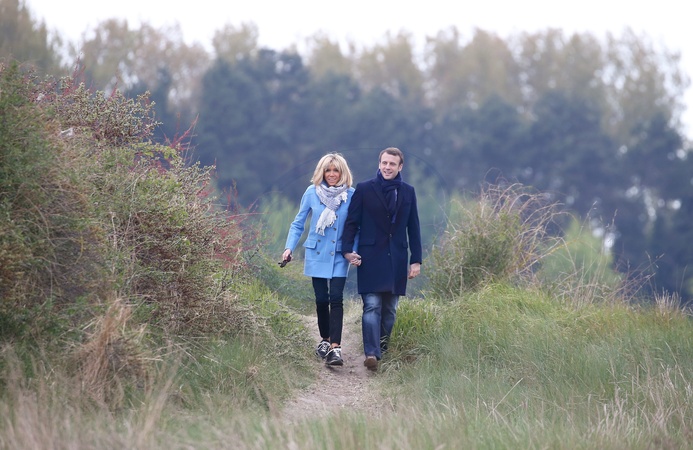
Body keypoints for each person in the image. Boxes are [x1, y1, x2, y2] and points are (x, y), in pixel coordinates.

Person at [342, 147, 422, 372]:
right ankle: (371, 354)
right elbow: (352, 222)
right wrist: (347, 250)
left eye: (392, 164)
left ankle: (382, 350)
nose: (387, 167)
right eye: (384, 163)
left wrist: (416, 260)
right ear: (379, 164)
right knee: (372, 305)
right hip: (370, 257)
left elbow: (414, 227)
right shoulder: (364, 189)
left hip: (397, 259)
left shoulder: (408, 192)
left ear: (400, 167)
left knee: (390, 310)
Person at [282, 153, 356, 366]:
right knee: (322, 299)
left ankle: (335, 348)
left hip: (340, 254)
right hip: (316, 252)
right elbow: (298, 223)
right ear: (322, 172)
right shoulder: (311, 192)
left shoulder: (351, 195)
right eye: (328, 170)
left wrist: (354, 251)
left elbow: (356, 227)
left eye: (335, 170)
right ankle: (325, 339)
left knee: (336, 298)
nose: (331, 174)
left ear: (342, 172)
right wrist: (289, 248)